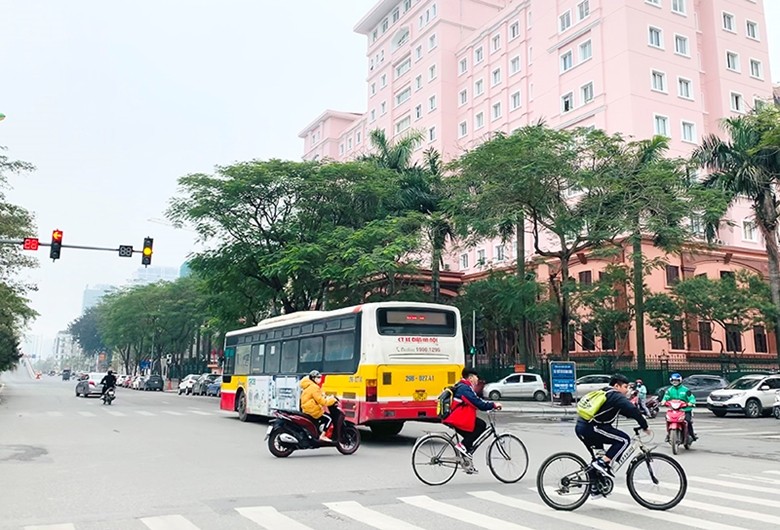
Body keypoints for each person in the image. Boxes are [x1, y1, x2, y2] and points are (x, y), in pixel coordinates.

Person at [575, 374, 650, 496]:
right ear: (616, 386)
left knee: (599, 457)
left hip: (583, 427)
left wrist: (637, 417)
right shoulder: (615, 395)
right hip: (593, 428)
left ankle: (595, 486)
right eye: (625, 387)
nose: (627, 390)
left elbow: (624, 411)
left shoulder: (605, 392)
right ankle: (601, 464)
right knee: (624, 440)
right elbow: (631, 409)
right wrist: (644, 425)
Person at [443, 368, 502, 473]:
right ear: (470, 378)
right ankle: (462, 446)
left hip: (458, 418)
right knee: (481, 425)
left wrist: (488, 404)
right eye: (476, 377)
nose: (477, 379)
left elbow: (477, 400)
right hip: (458, 419)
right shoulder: (465, 389)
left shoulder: (463, 386)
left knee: (470, 440)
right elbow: (477, 403)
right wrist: (493, 405)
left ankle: (468, 464)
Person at [300, 370, 337, 442]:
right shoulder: (314, 387)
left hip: (307, 409)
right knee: (329, 418)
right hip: (313, 410)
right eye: (318, 377)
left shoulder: (308, 386)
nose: (320, 379)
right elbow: (322, 401)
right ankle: (322, 436)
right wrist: (332, 400)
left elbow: (319, 396)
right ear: (313, 378)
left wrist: (328, 397)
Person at [661, 373, 697, 441]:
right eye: (673, 380)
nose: (675, 382)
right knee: (667, 418)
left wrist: (691, 403)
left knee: (688, 421)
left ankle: (692, 435)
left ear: (680, 381)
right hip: (674, 410)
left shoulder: (685, 390)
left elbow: (691, 398)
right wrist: (663, 401)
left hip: (685, 410)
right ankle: (669, 434)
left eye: (676, 380)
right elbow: (666, 397)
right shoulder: (669, 390)